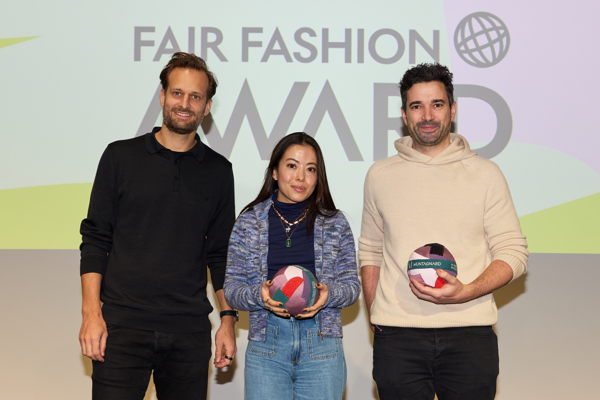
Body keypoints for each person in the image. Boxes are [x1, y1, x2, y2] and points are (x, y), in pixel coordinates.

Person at [359, 63, 528, 400]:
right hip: (398, 337)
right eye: (416, 106)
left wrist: (467, 291)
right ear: (404, 114)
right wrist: (379, 312)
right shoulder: (380, 175)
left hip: (470, 334)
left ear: (452, 109)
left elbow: (514, 252)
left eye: (436, 104)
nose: (427, 116)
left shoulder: (486, 174)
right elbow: (371, 250)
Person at [78, 52, 237, 400]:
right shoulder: (120, 157)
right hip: (121, 328)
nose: (185, 104)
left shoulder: (218, 171)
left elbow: (220, 253)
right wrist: (91, 314)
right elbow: (96, 239)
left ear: (207, 106)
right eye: (177, 93)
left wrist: (228, 319)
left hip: (188, 332)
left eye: (195, 96)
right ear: (163, 96)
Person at [224, 132, 360, 400]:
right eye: (292, 166)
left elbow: (352, 287)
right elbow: (232, 289)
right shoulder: (249, 222)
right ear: (275, 172)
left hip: (322, 344)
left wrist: (328, 295)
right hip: (267, 344)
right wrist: (260, 296)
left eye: (310, 169)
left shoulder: (335, 222)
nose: (301, 177)